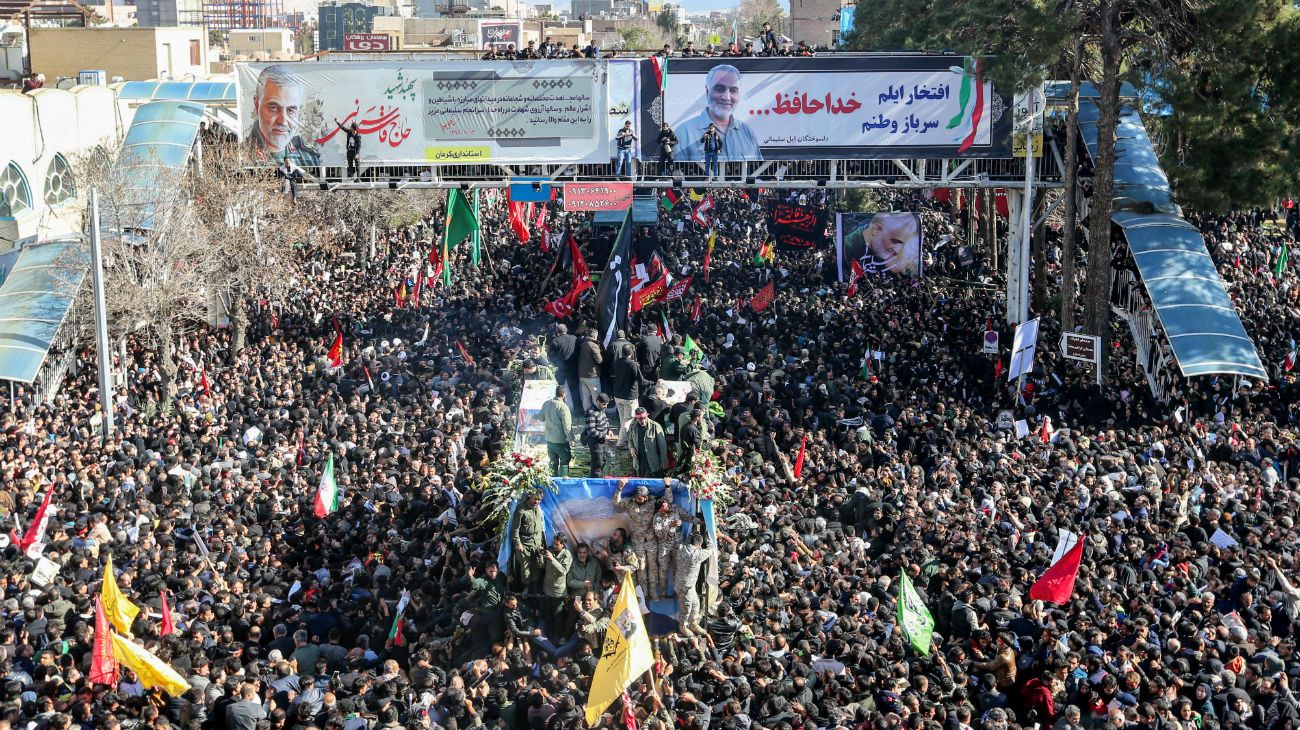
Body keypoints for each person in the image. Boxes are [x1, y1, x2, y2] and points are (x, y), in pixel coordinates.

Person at [675, 65, 763, 164]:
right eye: (719, 88)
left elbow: (759, 172)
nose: (727, 97)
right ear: (707, 91)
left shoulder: (747, 132)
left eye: (733, 90)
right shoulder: (683, 133)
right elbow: (675, 175)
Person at [245, 65, 321, 167]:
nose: (282, 121)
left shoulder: (308, 157)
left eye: (290, 111)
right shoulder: (241, 153)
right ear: (257, 105)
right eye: (273, 108)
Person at [844, 211, 923, 275]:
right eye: (895, 241)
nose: (897, 251)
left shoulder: (887, 260)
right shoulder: (842, 249)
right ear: (876, 230)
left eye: (903, 245)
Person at [612, 482, 656, 589]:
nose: (637, 500)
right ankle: (643, 593)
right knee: (641, 567)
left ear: (646, 497)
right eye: (636, 497)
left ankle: (653, 592)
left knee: (653, 567)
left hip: (651, 541)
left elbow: (668, 501)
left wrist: (668, 486)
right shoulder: (630, 503)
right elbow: (616, 502)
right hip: (637, 540)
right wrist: (620, 488)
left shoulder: (653, 502)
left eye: (640, 498)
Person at [674, 530, 714, 635]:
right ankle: (682, 626)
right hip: (686, 587)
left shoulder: (682, 548)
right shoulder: (697, 555)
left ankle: (693, 623)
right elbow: (710, 549)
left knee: (695, 603)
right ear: (699, 545)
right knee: (686, 607)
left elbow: (687, 542)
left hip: (682, 584)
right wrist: (708, 537)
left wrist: (691, 534)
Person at [509, 490, 546, 594]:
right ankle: (526, 586)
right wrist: (518, 543)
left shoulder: (538, 508)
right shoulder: (521, 509)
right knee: (526, 567)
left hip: (537, 541)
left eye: (539, 500)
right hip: (525, 542)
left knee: (538, 565)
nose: (537, 502)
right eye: (536, 499)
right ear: (530, 497)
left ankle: (535, 586)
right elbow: (515, 529)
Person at [618, 407, 668, 478]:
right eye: (640, 419)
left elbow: (662, 445)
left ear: (647, 415)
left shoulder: (655, 426)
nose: (643, 420)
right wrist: (631, 448)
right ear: (636, 418)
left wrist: (663, 460)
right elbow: (630, 439)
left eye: (644, 418)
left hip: (651, 461)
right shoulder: (633, 426)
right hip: (638, 461)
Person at [539, 533, 572, 633]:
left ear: (563, 544)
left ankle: (558, 637)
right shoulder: (550, 550)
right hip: (547, 590)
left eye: (557, 544)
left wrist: (552, 559)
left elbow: (563, 571)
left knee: (558, 618)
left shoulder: (567, 555)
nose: (554, 546)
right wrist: (540, 554)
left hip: (558, 593)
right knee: (547, 615)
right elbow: (541, 566)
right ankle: (549, 635)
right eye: (554, 543)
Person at [540, 385, 572, 477]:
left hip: (549, 439)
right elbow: (567, 426)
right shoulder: (563, 407)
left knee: (553, 461)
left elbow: (541, 418)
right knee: (565, 459)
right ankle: (563, 480)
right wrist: (571, 438)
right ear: (564, 394)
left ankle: (552, 481)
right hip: (560, 440)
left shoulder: (546, 403)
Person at [583, 393, 614, 478]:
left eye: (607, 404)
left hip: (602, 440)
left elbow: (605, 420)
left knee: (603, 460)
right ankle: (595, 480)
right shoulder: (590, 412)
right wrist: (604, 436)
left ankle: (601, 477)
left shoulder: (601, 409)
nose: (606, 406)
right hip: (595, 442)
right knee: (597, 464)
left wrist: (609, 429)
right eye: (604, 404)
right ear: (597, 401)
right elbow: (591, 431)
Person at [576, 330, 603, 413]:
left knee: (586, 397)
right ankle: (598, 415)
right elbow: (599, 360)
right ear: (595, 336)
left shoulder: (582, 344)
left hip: (582, 375)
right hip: (592, 375)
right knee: (596, 397)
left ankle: (587, 415)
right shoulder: (593, 346)